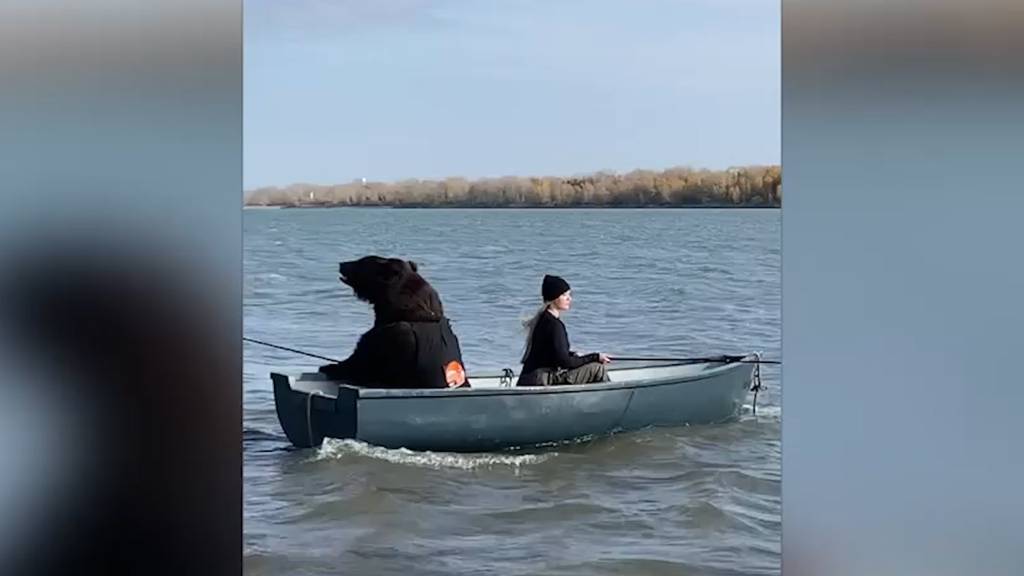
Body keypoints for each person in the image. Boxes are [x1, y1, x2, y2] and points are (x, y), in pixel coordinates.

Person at [516, 274, 611, 386]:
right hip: (542, 379)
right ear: (554, 298)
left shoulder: (543, 319)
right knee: (597, 368)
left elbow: (553, 354)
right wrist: (595, 357)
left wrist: (573, 355)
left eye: (569, 295)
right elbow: (564, 362)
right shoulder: (554, 325)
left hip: (533, 377)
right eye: (564, 295)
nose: (569, 299)